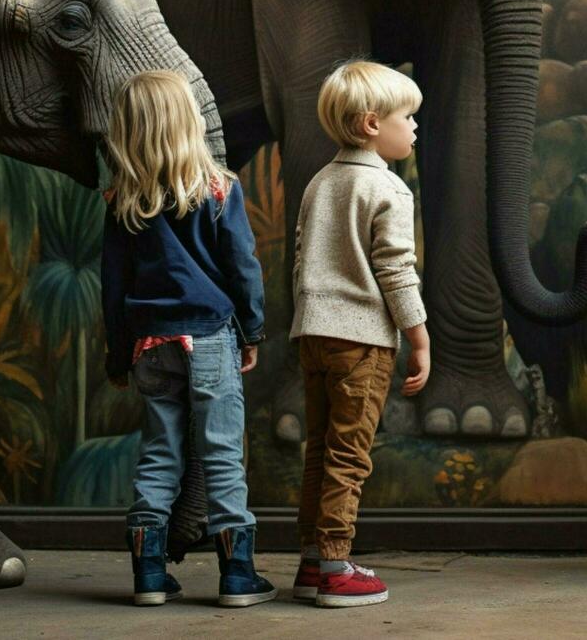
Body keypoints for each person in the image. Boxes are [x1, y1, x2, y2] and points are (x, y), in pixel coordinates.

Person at [100, 70, 273, 608]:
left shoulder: (121, 200)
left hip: (150, 344)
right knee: (222, 454)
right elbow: (243, 267)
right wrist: (252, 330)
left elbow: (112, 287)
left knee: (158, 453)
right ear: (189, 123)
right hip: (212, 338)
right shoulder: (221, 189)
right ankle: (238, 576)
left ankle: (149, 574)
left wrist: (117, 353)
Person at [289, 60, 430, 608]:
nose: (414, 127)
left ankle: (309, 561)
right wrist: (418, 336)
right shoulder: (388, 189)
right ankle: (337, 567)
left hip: (313, 334)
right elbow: (396, 270)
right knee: (350, 453)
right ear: (373, 124)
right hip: (362, 340)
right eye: (406, 117)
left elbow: (303, 261)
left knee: (319, 448)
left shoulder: (320, 183)